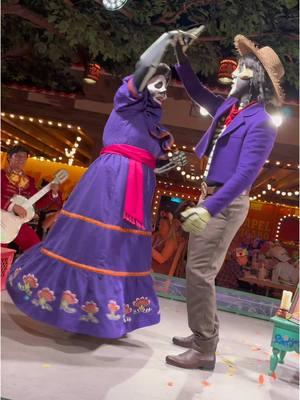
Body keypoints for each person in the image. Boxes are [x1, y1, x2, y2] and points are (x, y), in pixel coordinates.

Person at [6, 36, 179, 339]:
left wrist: (161, 165)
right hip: (111, 180)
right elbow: (142, 67)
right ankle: (71, 309)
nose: (164, 92)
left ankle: (107, 315)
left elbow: (148, 156)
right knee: (94, 242)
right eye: (159, 84)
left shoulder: (154, 125)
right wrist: (164, 42)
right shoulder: (127, 103)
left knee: (121, 249)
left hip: (138, 188)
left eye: (167, 86)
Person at [164, 33, 285, 370]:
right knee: (199, 270)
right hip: (212, 196)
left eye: (242, 70)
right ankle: (205, 335)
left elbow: (245, 176)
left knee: (200, 272)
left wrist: (208, 208)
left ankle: (204, 348)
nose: (234, 74)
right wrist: (180, 57)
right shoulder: (232, 108)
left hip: (226, 203)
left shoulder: (262, 122)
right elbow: (197, 92)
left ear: (256, 78)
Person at [1, 145, 62, 251]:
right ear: (9, 157)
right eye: (18, 156)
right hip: (1, 220)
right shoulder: (1, 175)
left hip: (17, 222)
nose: (21, 159)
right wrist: (12, 206)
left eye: (24, 157)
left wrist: (53, 193)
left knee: (36, 249)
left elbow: (37, 205)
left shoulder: (30, 181)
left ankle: (22, 268)